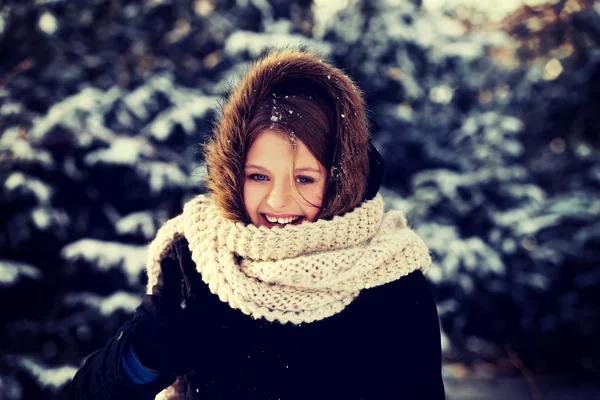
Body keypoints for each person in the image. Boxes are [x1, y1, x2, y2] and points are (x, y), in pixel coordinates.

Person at [68, 46, 445, 399]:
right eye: (259, 176)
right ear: (233, 175)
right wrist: (139, 356)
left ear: (340, 178)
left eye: (304, 178)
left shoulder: (389, 277)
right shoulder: (201, 261)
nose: (279, 201)